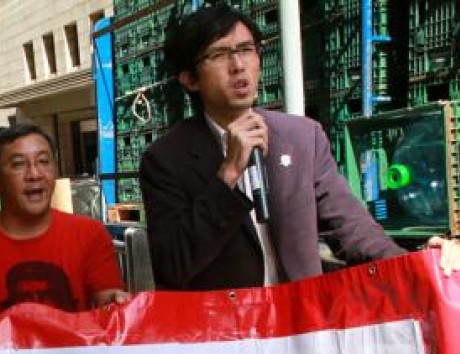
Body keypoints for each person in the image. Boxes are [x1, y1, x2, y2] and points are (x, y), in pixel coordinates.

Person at [139, 3, 460, 291]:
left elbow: (352, 228)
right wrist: (228, 175)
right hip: (226, 330)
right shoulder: (166, 159)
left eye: (246, 49)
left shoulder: (302, 137)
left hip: (302, 325)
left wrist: (415, 262)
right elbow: (172, 267)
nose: (238, 65)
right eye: (219, 55)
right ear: (190, 79)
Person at [0, 123, 124, 316]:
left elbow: (108, 307)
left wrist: (115, 304)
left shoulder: (90, 234)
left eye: (43, 161)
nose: (35, 174)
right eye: (18, 164)